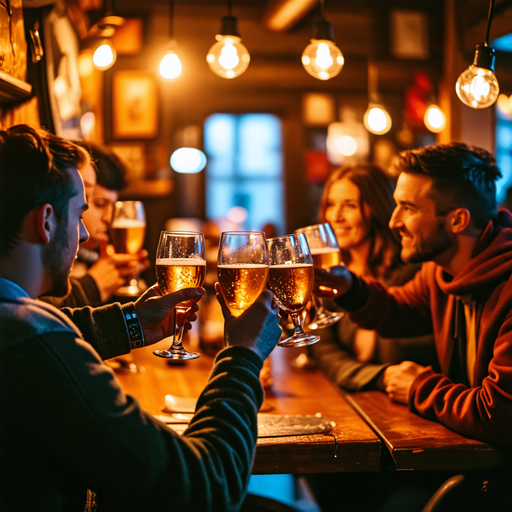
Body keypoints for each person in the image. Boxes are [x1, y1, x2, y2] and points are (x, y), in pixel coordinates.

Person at [0, 125, 282, 512]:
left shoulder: (19, 325)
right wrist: (243, 356)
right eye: (79, 214)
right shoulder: (34, 344)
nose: (84, 234)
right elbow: (205, 488)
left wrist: (133, 321)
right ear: (46, 221)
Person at [315, 142, 512, 450]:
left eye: (409, 207)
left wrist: (420, 387)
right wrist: (349, 288)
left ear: (458, 220)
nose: (394, 221)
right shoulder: (440, 272)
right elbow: (397, 311)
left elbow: (499, 414)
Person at [310, 164, 435, 391]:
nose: (336, 216)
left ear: (377, 207)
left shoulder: (413, 270)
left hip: (410, 407)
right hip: (363, 400)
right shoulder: (333, 272)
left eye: (350, 205)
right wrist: (379, 376)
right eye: (331, 204)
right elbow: (323, 349)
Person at [40, 142, 148, 308]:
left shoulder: (97, 255)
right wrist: (92, 286)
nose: (109, 218)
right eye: (99, 203)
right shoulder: (48, 254)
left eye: (113, 205)